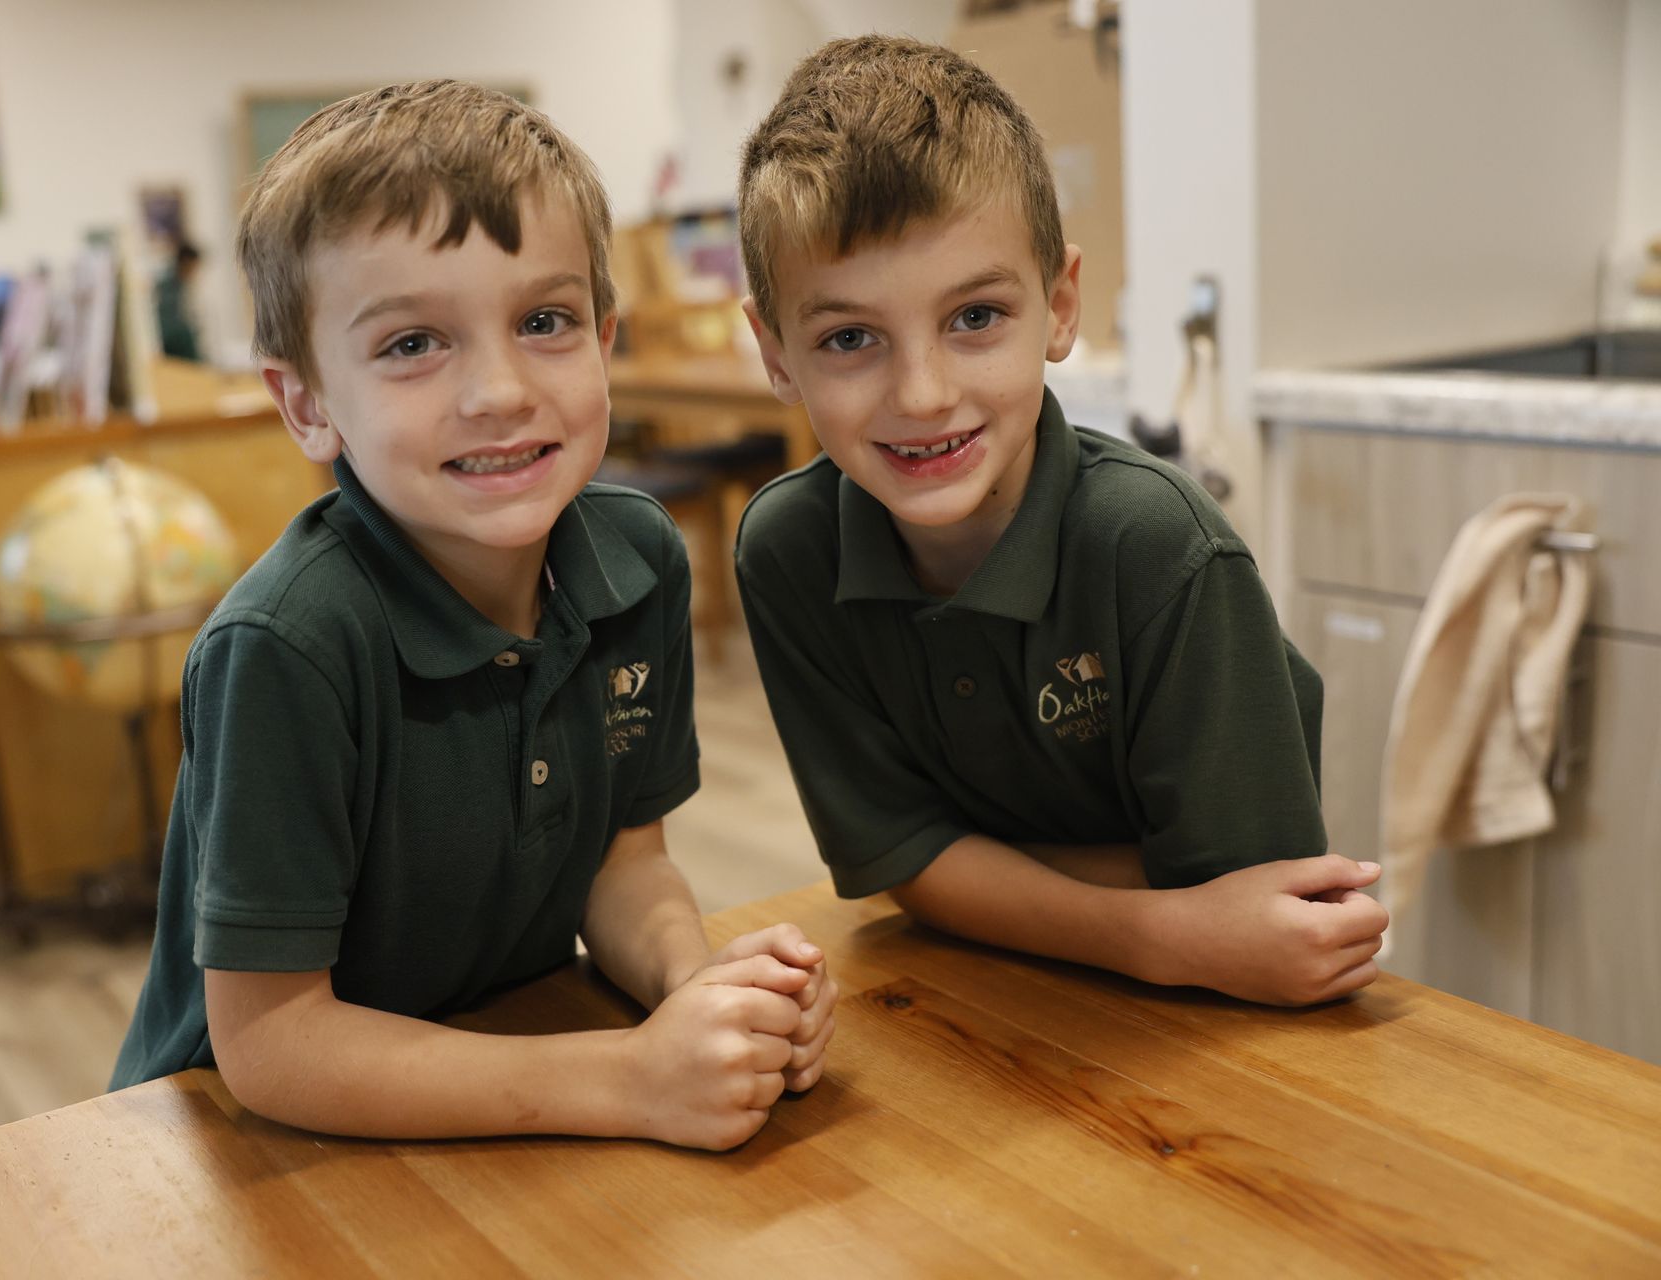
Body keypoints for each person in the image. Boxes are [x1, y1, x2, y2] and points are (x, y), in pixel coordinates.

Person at [111, 81, 835, 1151]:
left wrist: (697, 982)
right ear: (306, 401)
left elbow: (622, 865)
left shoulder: (638, 560)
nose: (498, 390)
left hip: (502, 1090)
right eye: (412, 344)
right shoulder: (287, 649)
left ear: (605, 335)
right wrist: (630, 1077)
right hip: (257, 1155)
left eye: (545, 321)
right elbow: (272, 1045)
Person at [733, 36, 1387, 1008]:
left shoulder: (1157, 545)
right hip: (988, 1004)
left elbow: (1254, 909)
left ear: (1061, 303)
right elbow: (904, 863)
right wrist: (1159, 930)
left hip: (1215, 1032)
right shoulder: (787, 550)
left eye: (975, 317)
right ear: (778, 355)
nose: (923, 392)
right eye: (850, 338)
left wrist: (972, 865)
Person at [153, 240, 204, 361]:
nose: (194, 273)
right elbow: (169, 326)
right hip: (170, 343)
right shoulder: (167, 286)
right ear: (185, 263)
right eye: (193, 267)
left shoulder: (181, 286)